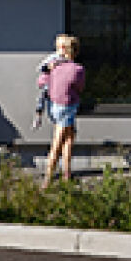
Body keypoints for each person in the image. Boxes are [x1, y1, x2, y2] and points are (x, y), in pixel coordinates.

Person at [39, 34, 84, 188]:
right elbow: (79, 88)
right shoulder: (77, 69)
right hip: (67, 107)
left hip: (53, 106)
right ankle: (48, 178)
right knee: (58, 142)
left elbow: (41, 82)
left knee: (70, 137)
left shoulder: (53, 65)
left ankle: (67, 173)